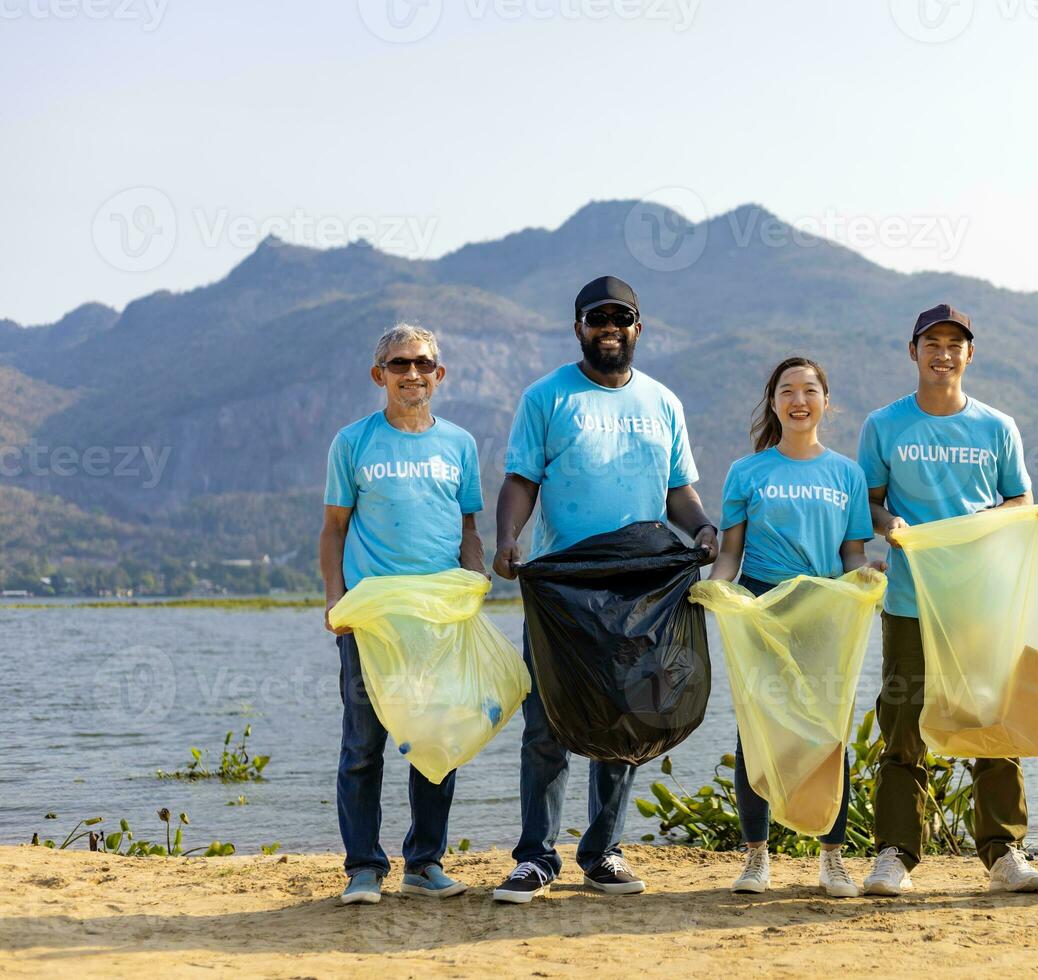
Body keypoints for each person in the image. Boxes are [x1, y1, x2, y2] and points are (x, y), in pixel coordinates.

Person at [491, 275, 718, 903]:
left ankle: (602, 853)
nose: (610, 328)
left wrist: (701, 527)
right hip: (564, 587)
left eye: (622, 318)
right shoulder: (547, 397)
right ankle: (536, 856)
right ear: (579, 328)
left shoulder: (663, 402)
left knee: (626, 715)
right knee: (548, 720)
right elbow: (521, 480)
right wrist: (509, 538)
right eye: (598, 319)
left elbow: (679, 490)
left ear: (638, 327)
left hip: (639, 586)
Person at [857, 303, 1038, 897]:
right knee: (903, 725)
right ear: (912, 351)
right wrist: (895, 529)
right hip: (910, 600)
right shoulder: (883, 425)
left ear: (970, 354)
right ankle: (895, 854)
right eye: (931, 342)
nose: (943, 353)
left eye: (954, 344)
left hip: (980, 602)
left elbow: (1021, 502)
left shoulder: (997, 427)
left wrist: (983, 525)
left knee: (991, 722)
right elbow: (869, 503)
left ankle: (1003, 852)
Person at [320, 322, 485, 906]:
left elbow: (468, 530)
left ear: (438, 375)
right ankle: (364, 867)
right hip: (371, 620)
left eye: (421, 363)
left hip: (439, 620)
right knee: (363, 745)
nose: (410, 373)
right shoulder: (353, 442)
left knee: (434, 740)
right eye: (398, 364)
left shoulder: (460, 445)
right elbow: (334, 529)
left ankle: (423, 863)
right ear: (378, 375)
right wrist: (335, 598)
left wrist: (476, 580)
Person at [707, 356, 884, 898]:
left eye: (810, 390)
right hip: (762, 609)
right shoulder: (747, 471)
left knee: (828, 736)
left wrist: (866, 576)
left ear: (825, 402)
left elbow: (852, 553)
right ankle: (756, 858)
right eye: (788, 390)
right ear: (774, 401)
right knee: (758, 734)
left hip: (825, 614)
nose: (799, 400)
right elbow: (730, 555)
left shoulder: (847, 473)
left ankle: (833, 860)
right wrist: (718, 589)